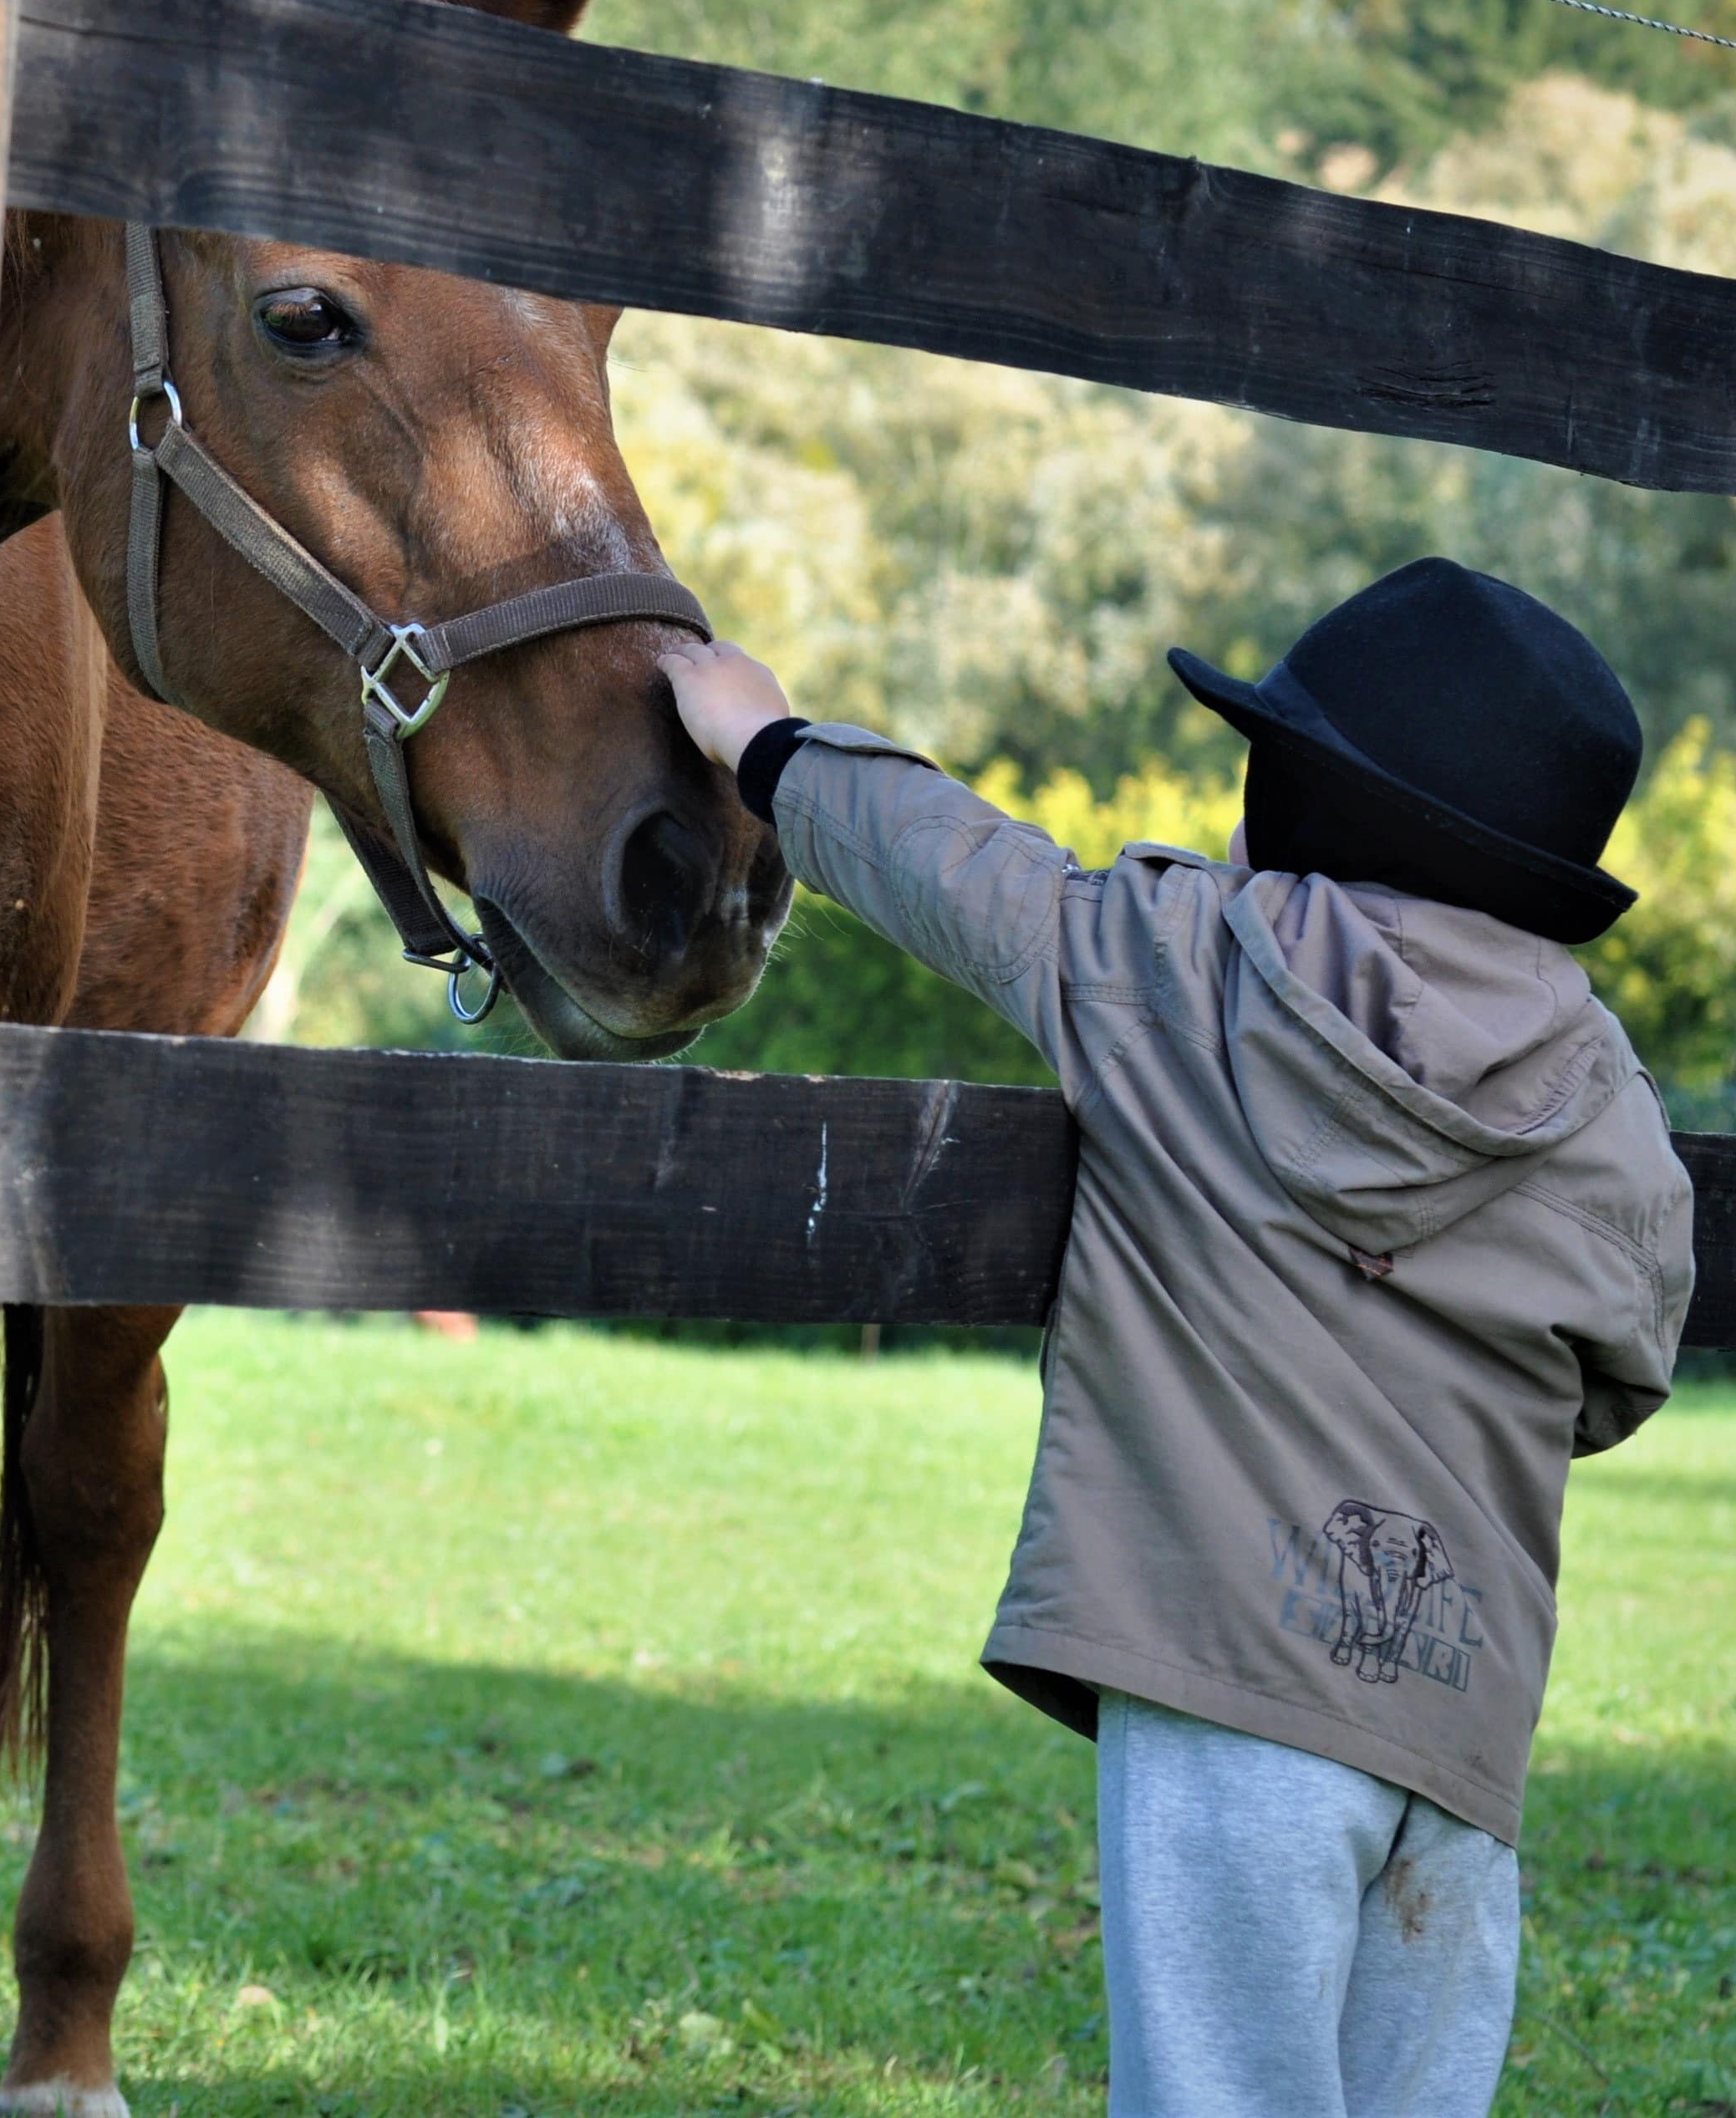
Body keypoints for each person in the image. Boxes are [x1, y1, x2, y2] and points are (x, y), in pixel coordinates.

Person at [659, 558, 1694, 2118]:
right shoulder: (1604, 1107)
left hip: (1231, 1711)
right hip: (1460, 1735)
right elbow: (1625, 1370)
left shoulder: (1173, 968)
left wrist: (771, 745)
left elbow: (955, 870)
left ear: (1311, 809)